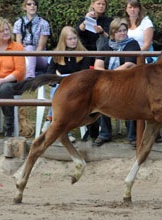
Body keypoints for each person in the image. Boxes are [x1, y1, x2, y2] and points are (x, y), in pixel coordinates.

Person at [93, 18, 141, 147]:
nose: (123, 33)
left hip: (129, 81)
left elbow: (129, 65)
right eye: (119, 31)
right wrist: (107, 78)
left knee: (130, 98)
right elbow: (98, 65)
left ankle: (133, 136)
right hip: (109, 81)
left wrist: (109, 75)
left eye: (125, 30)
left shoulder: (132, 44)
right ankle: (105, 134)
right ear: (113, 33)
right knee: (100, 97)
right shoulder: (106, 46)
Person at [42, 26, 91, 143]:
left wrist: (64, 77)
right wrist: (60, 78)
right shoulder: (57, 54)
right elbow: (50, 74)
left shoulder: (84, 54)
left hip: (78, 88)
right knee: (58, 90)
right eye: (70, 39)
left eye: (75, 38)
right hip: (61, 88)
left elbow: (83, 75)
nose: (73, 41)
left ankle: (51, 120)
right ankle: (63, 131)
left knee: (60, 90)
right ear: (63, 40)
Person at [76, 0, 112, 142]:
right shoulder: (84, 18)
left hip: (102, 59)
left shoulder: (109, 21)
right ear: (92, 4)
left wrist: (102, 32)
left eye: (103, 4)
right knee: (86, 97)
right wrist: (85, 22)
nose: (101, 6)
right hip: (86, 58)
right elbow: (77, 33)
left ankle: (101, 131)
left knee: (99, 96)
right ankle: (90, 130)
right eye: (98, 3)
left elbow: (112, 38)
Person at [0, 18, 25, 137]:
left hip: (13, 82)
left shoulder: (17, 47)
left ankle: (9, 127)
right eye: (2, 31)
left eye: (7, 29)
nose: (5, 32)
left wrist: (3, 81)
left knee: (4, 89)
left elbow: (20, 72)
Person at [13, 0, 50, 78]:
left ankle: (30, 77)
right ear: (25, 7)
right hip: (23, 57)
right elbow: (19, 46)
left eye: (34, 4)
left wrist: (30, 57)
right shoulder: (18, 23)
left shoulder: (44, 24)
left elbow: (40, 48)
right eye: (29, 4)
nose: (32, 6)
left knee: (30, 48)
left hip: (40, 58)